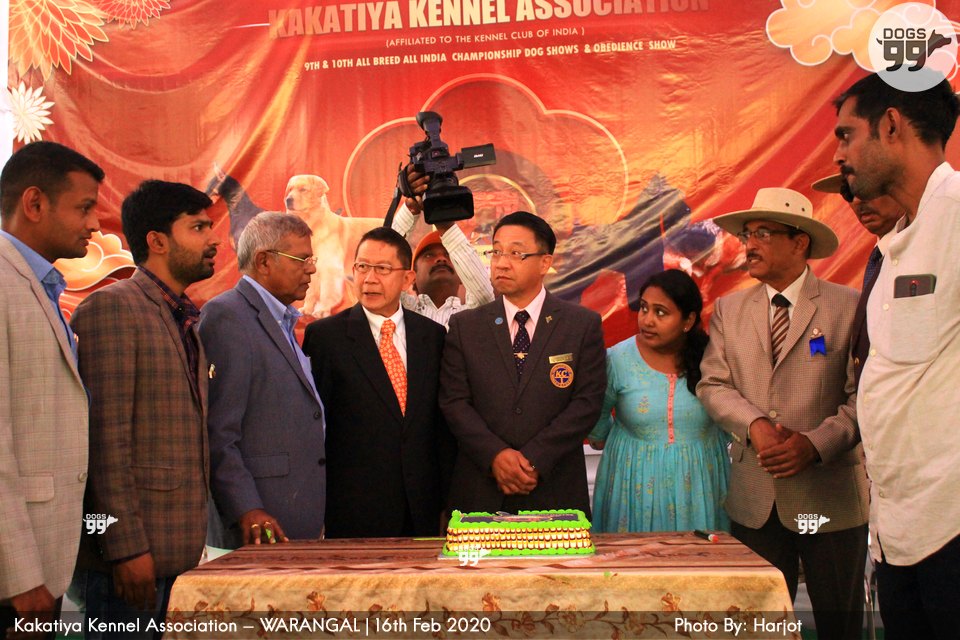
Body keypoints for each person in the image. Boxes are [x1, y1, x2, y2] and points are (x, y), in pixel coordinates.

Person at [697, 188, 868, 639]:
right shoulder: (730, 310)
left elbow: (866, 396)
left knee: (840, 624)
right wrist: (754, 424)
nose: (749, 245)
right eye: (746, 234)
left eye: (763, 233)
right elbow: (712, 384)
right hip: (756, 500)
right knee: (758, 627)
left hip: (829, 499)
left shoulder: (849, 305)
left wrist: (815, 444)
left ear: (800, 242)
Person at [832, 72, 960, 638]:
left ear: (890, 125)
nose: (839, 155)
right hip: (897, 534)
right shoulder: (894, 249)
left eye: (846, 135)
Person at [71, 180, 218, 638]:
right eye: (198, 228)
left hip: (175, 558)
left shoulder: (183, 318)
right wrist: (124, 548)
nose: (213, 240)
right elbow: (103, 444)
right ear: (157, 241)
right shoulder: (113, 309)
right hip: (128, 567)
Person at [0, 142, 103, 639]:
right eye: (84, 208)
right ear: (35, 203)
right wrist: (20, 575)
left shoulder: (37, 284)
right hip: (16, 577)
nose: (95, 224)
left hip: (46, 558)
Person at [439, 211, 606, 515]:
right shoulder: (466, 326)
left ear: (545, 262)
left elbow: (587, 402)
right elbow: (454, 402)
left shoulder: (581, 325)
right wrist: (496, 455)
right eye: (496, 252)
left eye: (516, 254)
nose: (501, 263)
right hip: (481, 489)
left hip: (554, 487)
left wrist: (535, 459)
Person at [302, 226, 449, 537]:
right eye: (362, 267)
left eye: (382, 269)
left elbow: (439, 425)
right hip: (354, 508)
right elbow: (314, 426)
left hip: (423, 506)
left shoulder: (432, 336)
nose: (369, 279)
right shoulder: (326, 337)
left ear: (407, 279)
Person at [199, 212, 326, 548]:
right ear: (264, 261)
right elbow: (218, 431)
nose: (311, 269)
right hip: (257, 525)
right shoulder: (228, 317)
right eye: (301, 259)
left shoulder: (280, 319)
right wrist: (246, 508)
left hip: (291, 517)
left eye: (311, 259)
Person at [588, 269, 729, 533]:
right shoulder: (617, 359)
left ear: (688, 321)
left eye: (660, 312)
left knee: (701, 557)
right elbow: (597, 423)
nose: (647, 320)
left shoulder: (712, 359)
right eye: (643, 308)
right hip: (632, 485)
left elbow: (730, 419)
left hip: (700, 486)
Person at [812, 173, 904, 385]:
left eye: (867, 187)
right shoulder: (879, 257)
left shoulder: (930, 250)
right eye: (848, 192)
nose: (856, 200)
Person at [391, 168, 494, 327]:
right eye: (429, 255)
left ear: (462, 276)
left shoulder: (471, 315)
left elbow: (484, 295)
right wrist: (411, 208)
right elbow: (384, 267)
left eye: (448, 255)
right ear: (411, 277)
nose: (440, 259)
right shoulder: (400, 311)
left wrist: (446, 224)